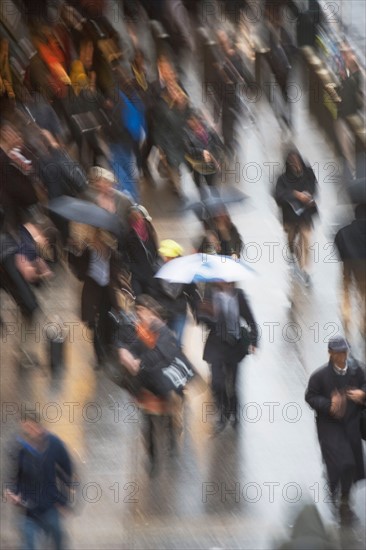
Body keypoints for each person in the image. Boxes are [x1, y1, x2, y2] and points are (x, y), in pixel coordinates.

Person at [118, 294, 194, 470]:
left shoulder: (163, 330)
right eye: (138, 311)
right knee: (148, 421)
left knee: (167, 415)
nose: (141, 314)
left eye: (144, 311)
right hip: (146, 384)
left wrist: (139, 361)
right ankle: (152, 457)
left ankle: (172, 443)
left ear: (153, 312)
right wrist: (125, 352)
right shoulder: (138, 330)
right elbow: (130, 345)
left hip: (162, 382)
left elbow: (163, 354)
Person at [305, 336, 366, 523]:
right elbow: (310, 397)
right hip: (329, 426)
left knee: (351, 465)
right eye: (338, 353)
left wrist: (363, 394)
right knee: (340, 463)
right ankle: (334, 490)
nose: (342, 357)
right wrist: (328, 404)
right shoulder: (320, 376)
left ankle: (345, 500)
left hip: (352, 424)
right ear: (330, 354)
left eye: (344, 352)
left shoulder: (357, 371)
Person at [5, 412, 74, 549]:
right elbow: (11, 476)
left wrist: (64, 501)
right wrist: (12, 492)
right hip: (27, 508)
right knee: (28, 544)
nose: (30, 432)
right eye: (26, 428)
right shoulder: (18, 446)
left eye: (32, 427)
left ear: (40, 427)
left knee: (58, 543)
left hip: (50, 506)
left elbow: (68, 472)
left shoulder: (54, 444)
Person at [198, 282, 258, 432]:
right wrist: (208, 312)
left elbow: (250, 319)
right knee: (217, 383)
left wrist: (254, 340)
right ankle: (222, 412)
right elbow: (201, 320)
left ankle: (234, 412)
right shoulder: (210, 294)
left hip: (234, 345)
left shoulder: (239, 296)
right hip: (216, 344)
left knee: (233, 383)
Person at [275, 149, 318, 286]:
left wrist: (308, 196)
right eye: (292, 163)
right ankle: (292, 254)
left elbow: (314, 188)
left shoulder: (308, 173)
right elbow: (278, 196)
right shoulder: (282, 179)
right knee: (291, 241)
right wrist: (295, 194)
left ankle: (305, 270)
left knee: (306, 242)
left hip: (305, 216)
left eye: (297, 161)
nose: (296, 165)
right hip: (290, 217)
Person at [335, 204, 366, 339]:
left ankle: (346, 319)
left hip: (348, 266)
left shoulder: (343, 232)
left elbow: (339, 247)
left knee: (346, 292)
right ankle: (363, 323)